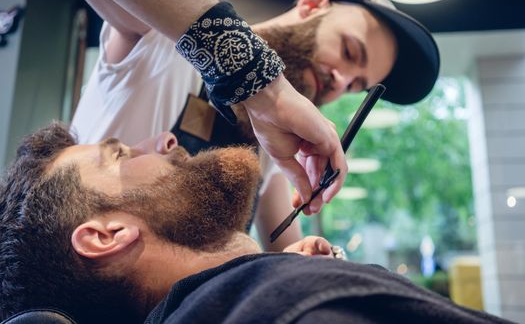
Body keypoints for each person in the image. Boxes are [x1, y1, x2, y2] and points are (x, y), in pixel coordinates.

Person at [68, 0, 439, 250]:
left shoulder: (269, 154)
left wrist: (304, 257)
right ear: (311, 4)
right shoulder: (160, 41)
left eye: (356, 85)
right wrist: (263, 83)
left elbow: (282, 250)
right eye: (348, 52)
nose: (340, 83)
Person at [0, 124, 510, 324]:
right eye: (121, 155)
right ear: (106, 235)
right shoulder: (266, 309)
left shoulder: (252, 302)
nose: (166, 142)